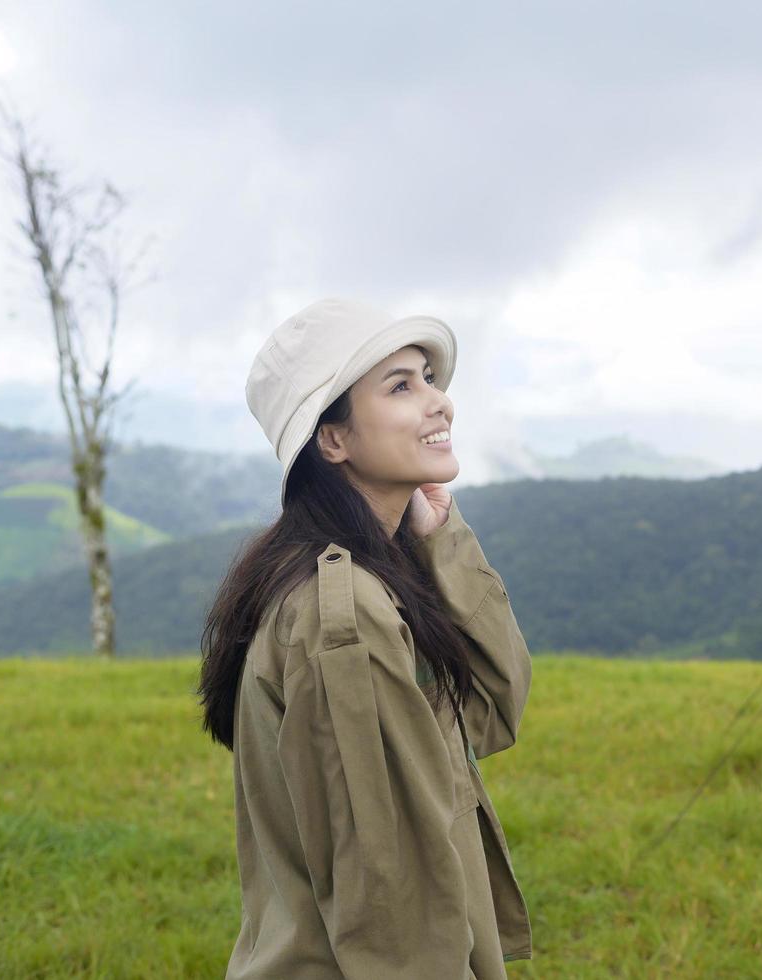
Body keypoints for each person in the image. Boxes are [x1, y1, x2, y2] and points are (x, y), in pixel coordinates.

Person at [197, 297, 533, 978]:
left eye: (430, 379)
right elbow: (390, 890)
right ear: (333, 440)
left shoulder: (377, 577)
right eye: (401, 386)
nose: (439, 402)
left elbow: (490, 714)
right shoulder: (342, 614)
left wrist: (443, 542)